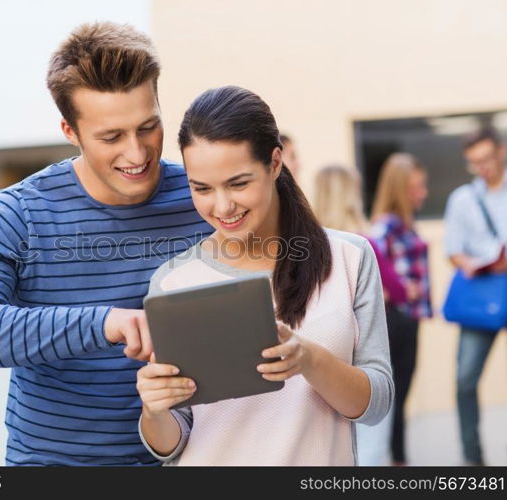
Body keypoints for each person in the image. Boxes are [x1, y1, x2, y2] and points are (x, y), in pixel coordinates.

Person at [0, 22, 212, 466]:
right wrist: (102, 323)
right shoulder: (19, 213)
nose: (137, 154)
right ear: (70, 130)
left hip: (192, 459)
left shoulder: (204, 198)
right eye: (111, 137)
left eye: (148, 127)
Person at [136, 86, 393, 465]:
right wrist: (154, 411)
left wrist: (307, 359)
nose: (222, 206)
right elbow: (172, 442)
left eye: (239, 183)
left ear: (275, 164)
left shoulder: (349, 258)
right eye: (201, 188)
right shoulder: (173, 280)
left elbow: (375, 404)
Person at [313, 164, 405, 466]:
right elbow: (398, 291)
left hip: (320, 359)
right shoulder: (363, 245)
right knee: (370, 442)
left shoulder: (302, 246)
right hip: (361, 363)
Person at [444, 126, 507, 466]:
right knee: (465, 379)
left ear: (501, 151)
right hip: (482, 295)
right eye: (474, 162)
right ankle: (473, 459)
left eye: (486, 159)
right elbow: (454, 250)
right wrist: (470, 264)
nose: (482, 167)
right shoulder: (463, 199)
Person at [369, 152, 432, 466]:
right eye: (417, 187)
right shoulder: (385, 229)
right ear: (400, 188)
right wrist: (400, 291)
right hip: (396, 321)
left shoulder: (404, 225)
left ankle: (398, 459)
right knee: (395, 397)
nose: (423, 193)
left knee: (401, 396)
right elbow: (370, 278)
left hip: (408, 319)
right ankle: (397, 461)